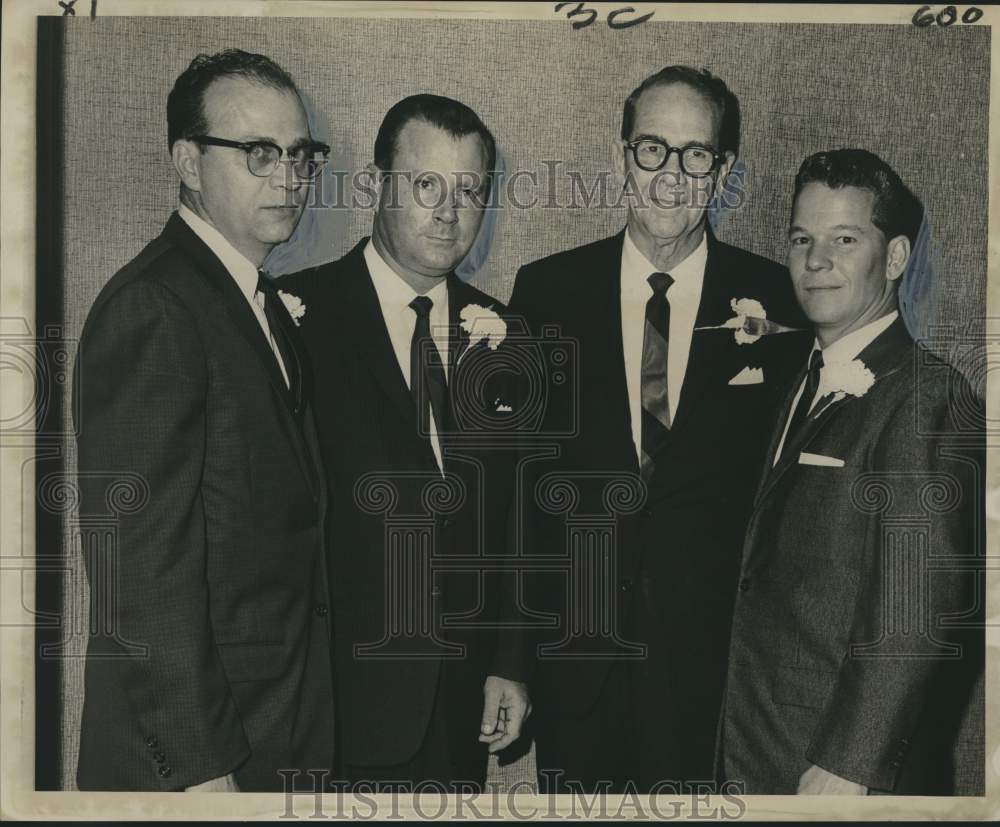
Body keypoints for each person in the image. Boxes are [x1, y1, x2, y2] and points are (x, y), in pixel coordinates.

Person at [507, 65, 810, 792]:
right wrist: (510, 661)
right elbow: (517, 493)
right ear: (623, 157)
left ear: (723, 172)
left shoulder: (779, 303)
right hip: (575, 671)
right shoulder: (546, 292)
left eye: (695, 153)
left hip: (713, 680)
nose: (671, 175)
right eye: (652, 149)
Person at [73, 49, 335, 792]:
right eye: (259, 153)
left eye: (299, 154)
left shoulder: (254, 302)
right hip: (202, 763)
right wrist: (200, 769)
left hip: (277, 728)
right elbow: (139, 572)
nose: (289, 177)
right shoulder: (154, 307)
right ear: (188, 162)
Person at [279, 94, 530, 790]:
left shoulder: (506, 332)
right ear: (374, 185)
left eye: (468, 190)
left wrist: (509, 662)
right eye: (426, 185)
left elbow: (516, 514)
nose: (448, 212)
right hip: (334, 704)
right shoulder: (294, 318)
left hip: (459, 707)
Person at [718, 148, 984, 795]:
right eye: (801, 239)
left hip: (835, 772)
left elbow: (916, 606)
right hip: (755, 747)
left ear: (894, 258)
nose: (816, 261)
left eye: (844, 239)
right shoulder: (792, 378)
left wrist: (849, 765)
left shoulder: (927, 397)